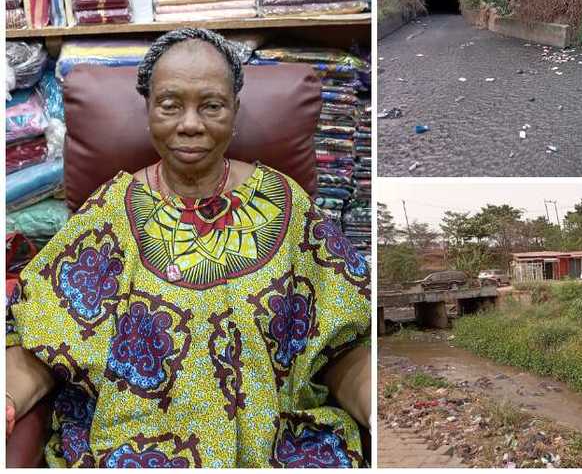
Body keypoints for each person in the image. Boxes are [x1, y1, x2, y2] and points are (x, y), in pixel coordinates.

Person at [5, 28, 371, 468]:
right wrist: (7, 399)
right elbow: (40, 341)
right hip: (135, 449)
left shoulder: (288, 205)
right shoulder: (108, 213)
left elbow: (343, 346)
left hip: (278, 447)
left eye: (212, 105)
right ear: (149, 111)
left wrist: (379, 408)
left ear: (235, 111)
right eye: (170, 105)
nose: (191, 124)